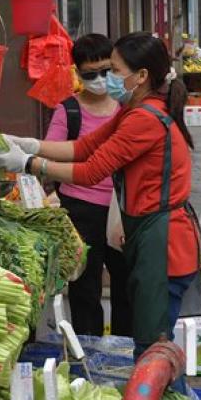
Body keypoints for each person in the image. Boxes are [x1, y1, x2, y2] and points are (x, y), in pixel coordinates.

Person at [0, 32, 201, 386]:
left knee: (152, 349)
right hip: (152, 238)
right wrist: (31, 145)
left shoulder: (144, 120)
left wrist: (29, 164)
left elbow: (91, 170)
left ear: (141, 76)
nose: (109, 78)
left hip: (164, 244)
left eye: (115, 70)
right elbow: (85, 147)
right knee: (151, 347)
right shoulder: (135, 111)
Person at [44, 34, 131, 338]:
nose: (99, 79)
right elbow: (51, 151)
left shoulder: (128, 108)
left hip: (122, 209)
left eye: (106, 71)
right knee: (84, 289)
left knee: (126, 287)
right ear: (77, 73)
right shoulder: (68, 111)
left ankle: (125, 351)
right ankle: (88, 352)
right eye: (90, 74)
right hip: (80, 211)